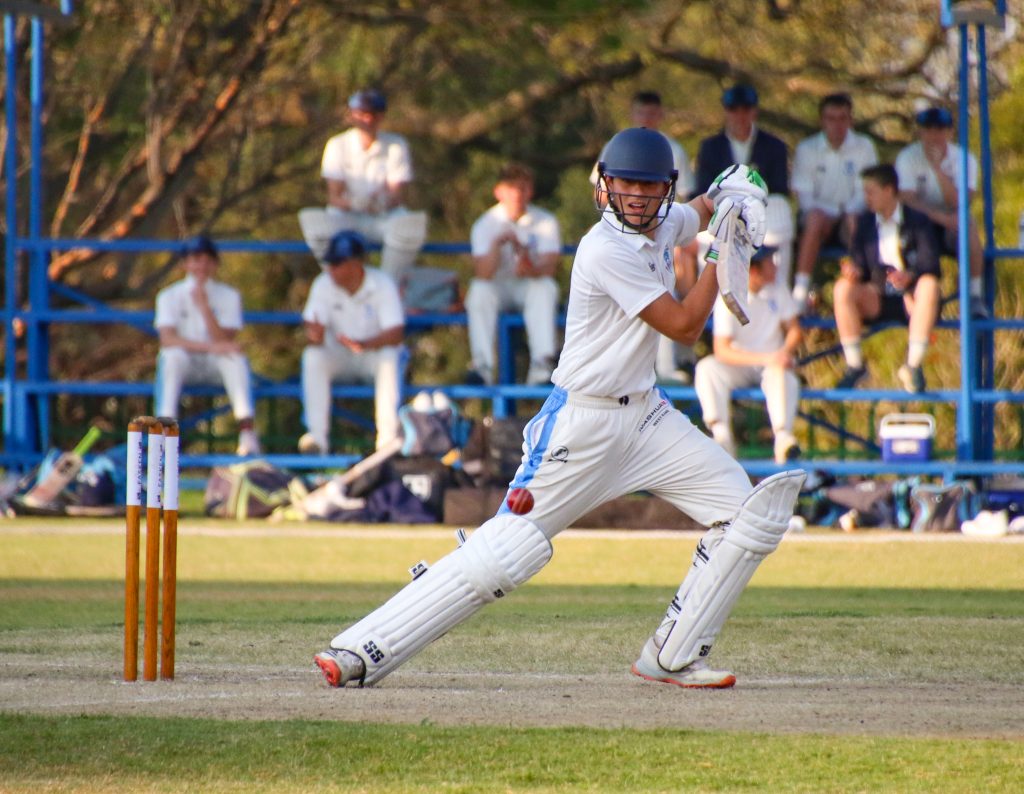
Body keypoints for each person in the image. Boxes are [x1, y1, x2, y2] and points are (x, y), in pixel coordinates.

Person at [313, 128, 805, 692]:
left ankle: (672, 656)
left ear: (664, 187)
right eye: (626, 184)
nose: (638, 196)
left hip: (648, 416)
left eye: (649, 185)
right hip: (583, 424)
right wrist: (724, 249)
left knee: (749, 514)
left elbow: (697, 211)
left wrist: (730, 195)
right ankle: (361, 648)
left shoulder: (663, 220)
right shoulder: (604, 249)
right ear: (605, 185)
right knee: (506, 551)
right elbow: (686, 327)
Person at [297, 88, 427, 281]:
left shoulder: (396, 144)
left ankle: (387, 285)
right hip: (347, 217)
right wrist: (354, 203)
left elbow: (396, 193)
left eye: (372, 114)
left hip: (383, 217)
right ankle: (339, 280)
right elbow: (334, 196)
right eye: (362, 114)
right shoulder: (337, 145)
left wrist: (382, 202)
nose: (367, 120)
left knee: (410, 227)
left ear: (381, 116)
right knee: (314, 223)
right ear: (352, 115)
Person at [833, 164, 942, 394]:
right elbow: (860, 264)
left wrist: (909, 276)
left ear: (889, 190)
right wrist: (853, 270)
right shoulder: (864, 222)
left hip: (911, 297)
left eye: (871, 192)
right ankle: (855, 365)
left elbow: (930, 263)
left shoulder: (918, 221)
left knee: (930, 284)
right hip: (878, 295)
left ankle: (913, 366)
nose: (867, 198)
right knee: (843, 288)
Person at [298, 229, 404, 454]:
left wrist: (365, 345)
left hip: (373, 354)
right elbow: (313, 332)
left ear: (356, 263)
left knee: (389, 358)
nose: (331, 270)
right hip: (341, 356)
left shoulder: (382, 284)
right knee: (313, 357)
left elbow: (396, 333)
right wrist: (315, 336)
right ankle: (316, 438)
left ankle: (386, 440)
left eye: (337, 264)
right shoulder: (323, 284)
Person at [154, 235, 261, 457]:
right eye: (195, 259)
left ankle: (247, 433)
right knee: (172, 357)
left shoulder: (229, 296)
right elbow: (167, 340)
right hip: (186, 362)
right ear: (185, 263)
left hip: (214, 365)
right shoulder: (168, 296)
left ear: (215, 264)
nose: (201, 265)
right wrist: (210, 347)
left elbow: (226, 341)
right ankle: (164, 434)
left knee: (235, 360)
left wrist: (204, 307)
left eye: (206, 259)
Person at [695, 245, 803, 464]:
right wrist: (767, 358)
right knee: (707, 368)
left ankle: (783, 437)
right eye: (769, 262)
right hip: (742, 365)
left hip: (772, 367)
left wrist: (783, 354)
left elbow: (794, 330)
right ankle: (722, 437)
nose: (774, 266)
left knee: (782, 375)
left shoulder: (777, 289)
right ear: (753, 270)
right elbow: (722, 350)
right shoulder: (729, 295)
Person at [465, 162, 562, 386]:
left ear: (530, 190)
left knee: (545, 288)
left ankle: (542, 367)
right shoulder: (485, 224)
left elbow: (549, 268)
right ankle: (482, 368)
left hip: (527, 286)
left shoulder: (545, 221)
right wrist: (497, 246)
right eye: (511, 188)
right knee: (479, 292)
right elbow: (482, 274)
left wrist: (529, 266)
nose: (517, 194)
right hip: (498, 287)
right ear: (499, 191)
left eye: (523, 187)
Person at [693, 84, 794, 289]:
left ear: (754, 111)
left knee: (782, 229)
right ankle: (708, 297)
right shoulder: (711, 147)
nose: (740, 116)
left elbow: (780, 189)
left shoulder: (774, 146)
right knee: (703, 233)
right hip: (722, 212)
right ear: (726, 112)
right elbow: (704, 187)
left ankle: (780, 292)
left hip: (764, 213)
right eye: (733, 110)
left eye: (745, 110)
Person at [895, 106, 987, 318]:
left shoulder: (964, 159)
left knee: (968, 225)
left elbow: (961, 201)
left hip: (952, 224)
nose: (934, 135)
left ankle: (974, 296)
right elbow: (907, 200)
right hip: (919, 225)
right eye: (928, 129)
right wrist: (940, 217)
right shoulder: (907, 158)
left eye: (940, 129)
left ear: (949, 132)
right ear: (920, 131)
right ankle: (916, 299)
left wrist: (938, 170)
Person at [791, 93, 879, 313]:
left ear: (850, 120)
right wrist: (831, 213)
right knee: (814, 218)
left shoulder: (864, 147)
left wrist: (845, 212)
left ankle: (868, 287)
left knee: (856, 219)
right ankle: (800, 292)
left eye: (842, 118)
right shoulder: (807, 149)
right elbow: (805, 198)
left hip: (851, 216)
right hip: (819, 218)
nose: (837, 125)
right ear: (822, 120)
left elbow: (867, 191)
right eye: (831, 118)